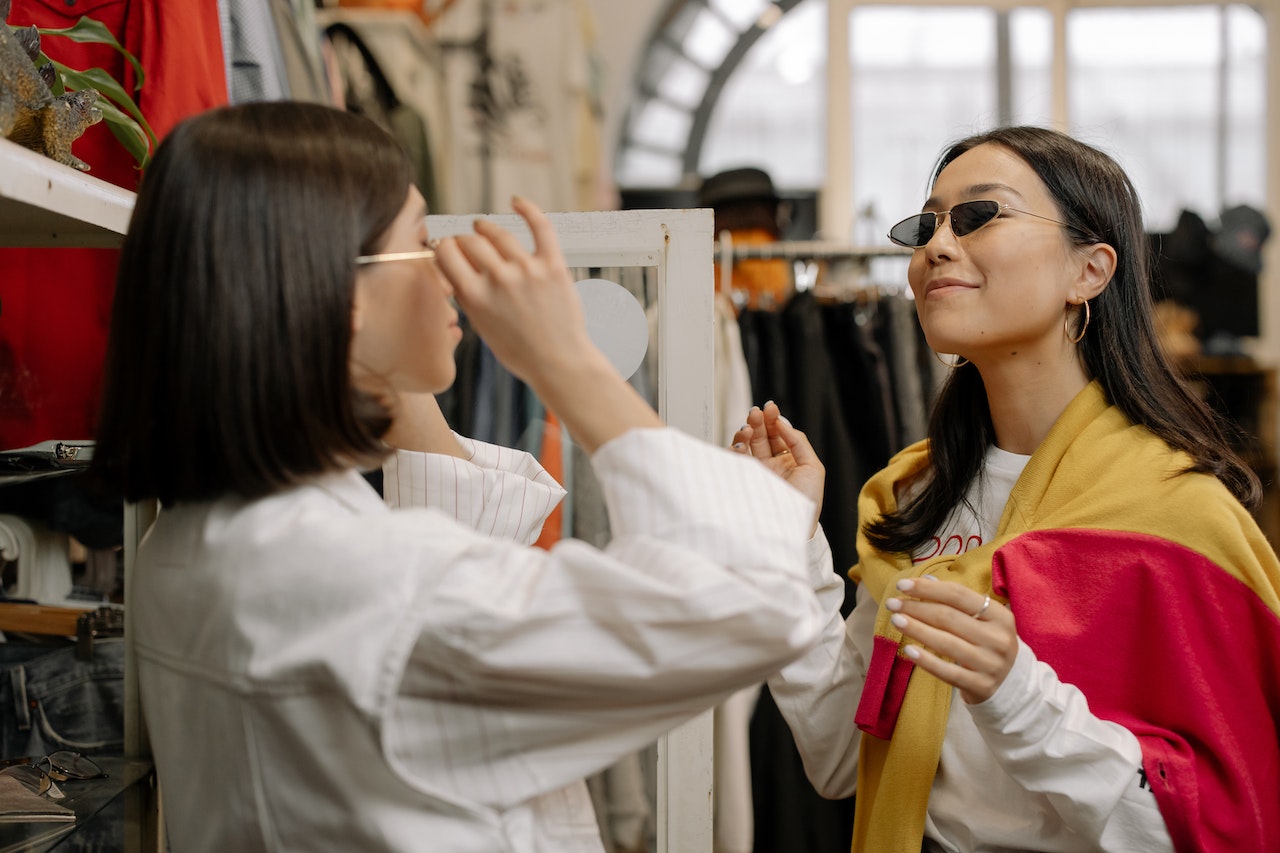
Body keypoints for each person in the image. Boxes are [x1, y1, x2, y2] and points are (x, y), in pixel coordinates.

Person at [88, 101, 832, 852]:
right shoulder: (368, 588)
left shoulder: (192, 537)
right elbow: (751, 607)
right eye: (421, 241)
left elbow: (443, 568)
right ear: (340, 293)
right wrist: (566, 361)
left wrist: (388, 366)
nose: (448, 266)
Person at [733, 126, 1280, 852]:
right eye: (928, 223)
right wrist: (788, 541)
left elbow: (1224, 825)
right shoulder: (914, 495)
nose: (936, 246)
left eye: (979, 215)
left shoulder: (1177, 516)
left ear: (1090, 270)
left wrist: (1016, 695)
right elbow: (838, 755)